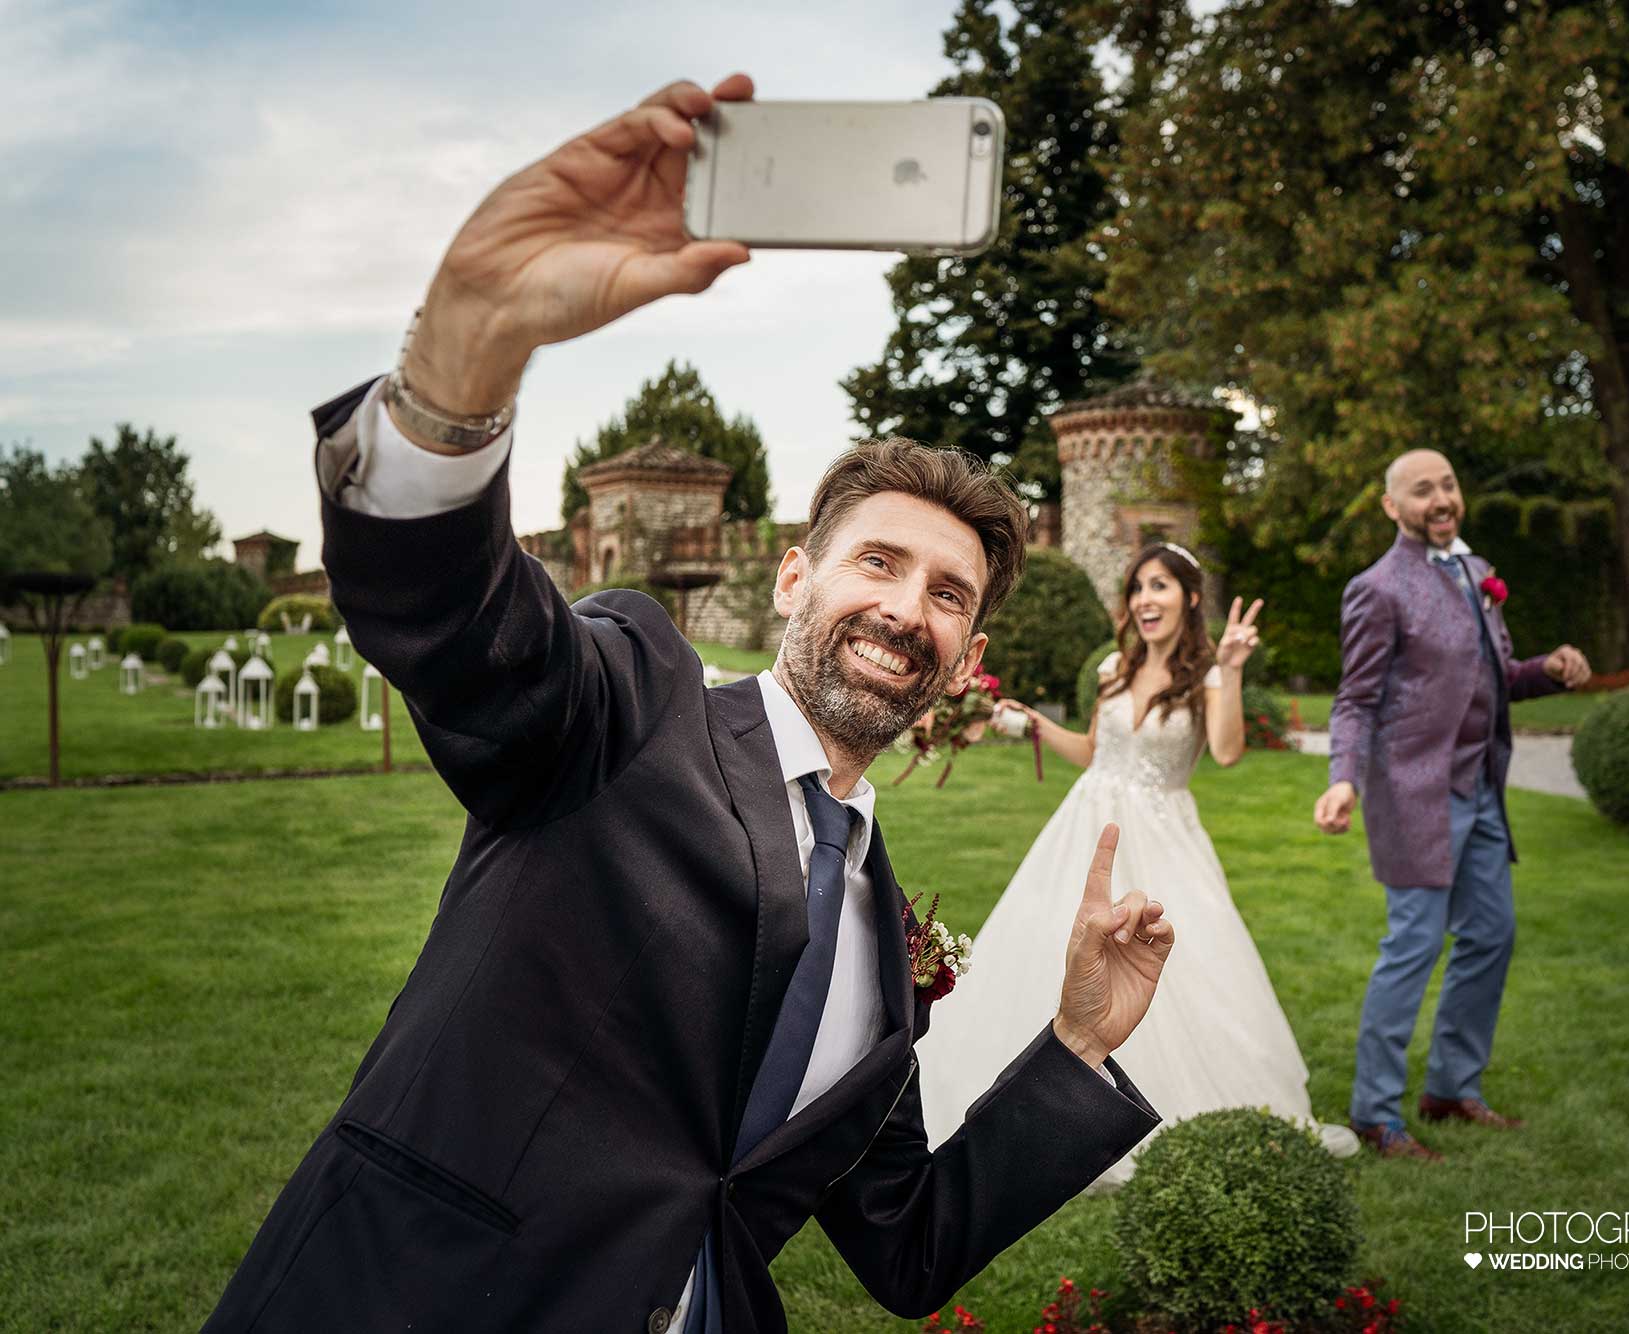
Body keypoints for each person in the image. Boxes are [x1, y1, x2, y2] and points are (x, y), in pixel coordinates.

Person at [203, 75, 1179, 1334]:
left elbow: (910, 1249)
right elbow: (451, 615)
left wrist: (1079, 1041)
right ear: (791, 573)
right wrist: (465, 349)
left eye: (948, 594)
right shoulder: (628, 705)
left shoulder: (883, 939)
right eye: (877, 561)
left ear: (967, 648)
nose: (905, 608)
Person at [923, 542, 1358, 1180]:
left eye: (1159, 587)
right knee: (1053, 951)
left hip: (1163, 837)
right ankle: (1037, 1104)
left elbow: (1230, 751)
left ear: (1188, 598)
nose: (1145, 600)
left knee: (1176, 967)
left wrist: (1232, 667)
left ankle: (1157, 1103)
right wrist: (1029, 724)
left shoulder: (1207, 676)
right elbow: (1095, 750)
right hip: (1087, 824)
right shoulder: (1111, 668)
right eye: (1137, 589)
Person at [1314, 449, 1591, 1161]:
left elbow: (1497, 678)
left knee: (1492, 937)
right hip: (1413, 797)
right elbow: (1355, 699)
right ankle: (1376, 1113)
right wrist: (1344, 777)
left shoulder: (1476, 573)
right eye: (1421, 490)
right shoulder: (1378, 589)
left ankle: (1450, 1090)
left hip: (1482, 791)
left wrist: (1548, 673)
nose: (1440, 499)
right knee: (1412, 947)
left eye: (1447, 485)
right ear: (1392, 507)